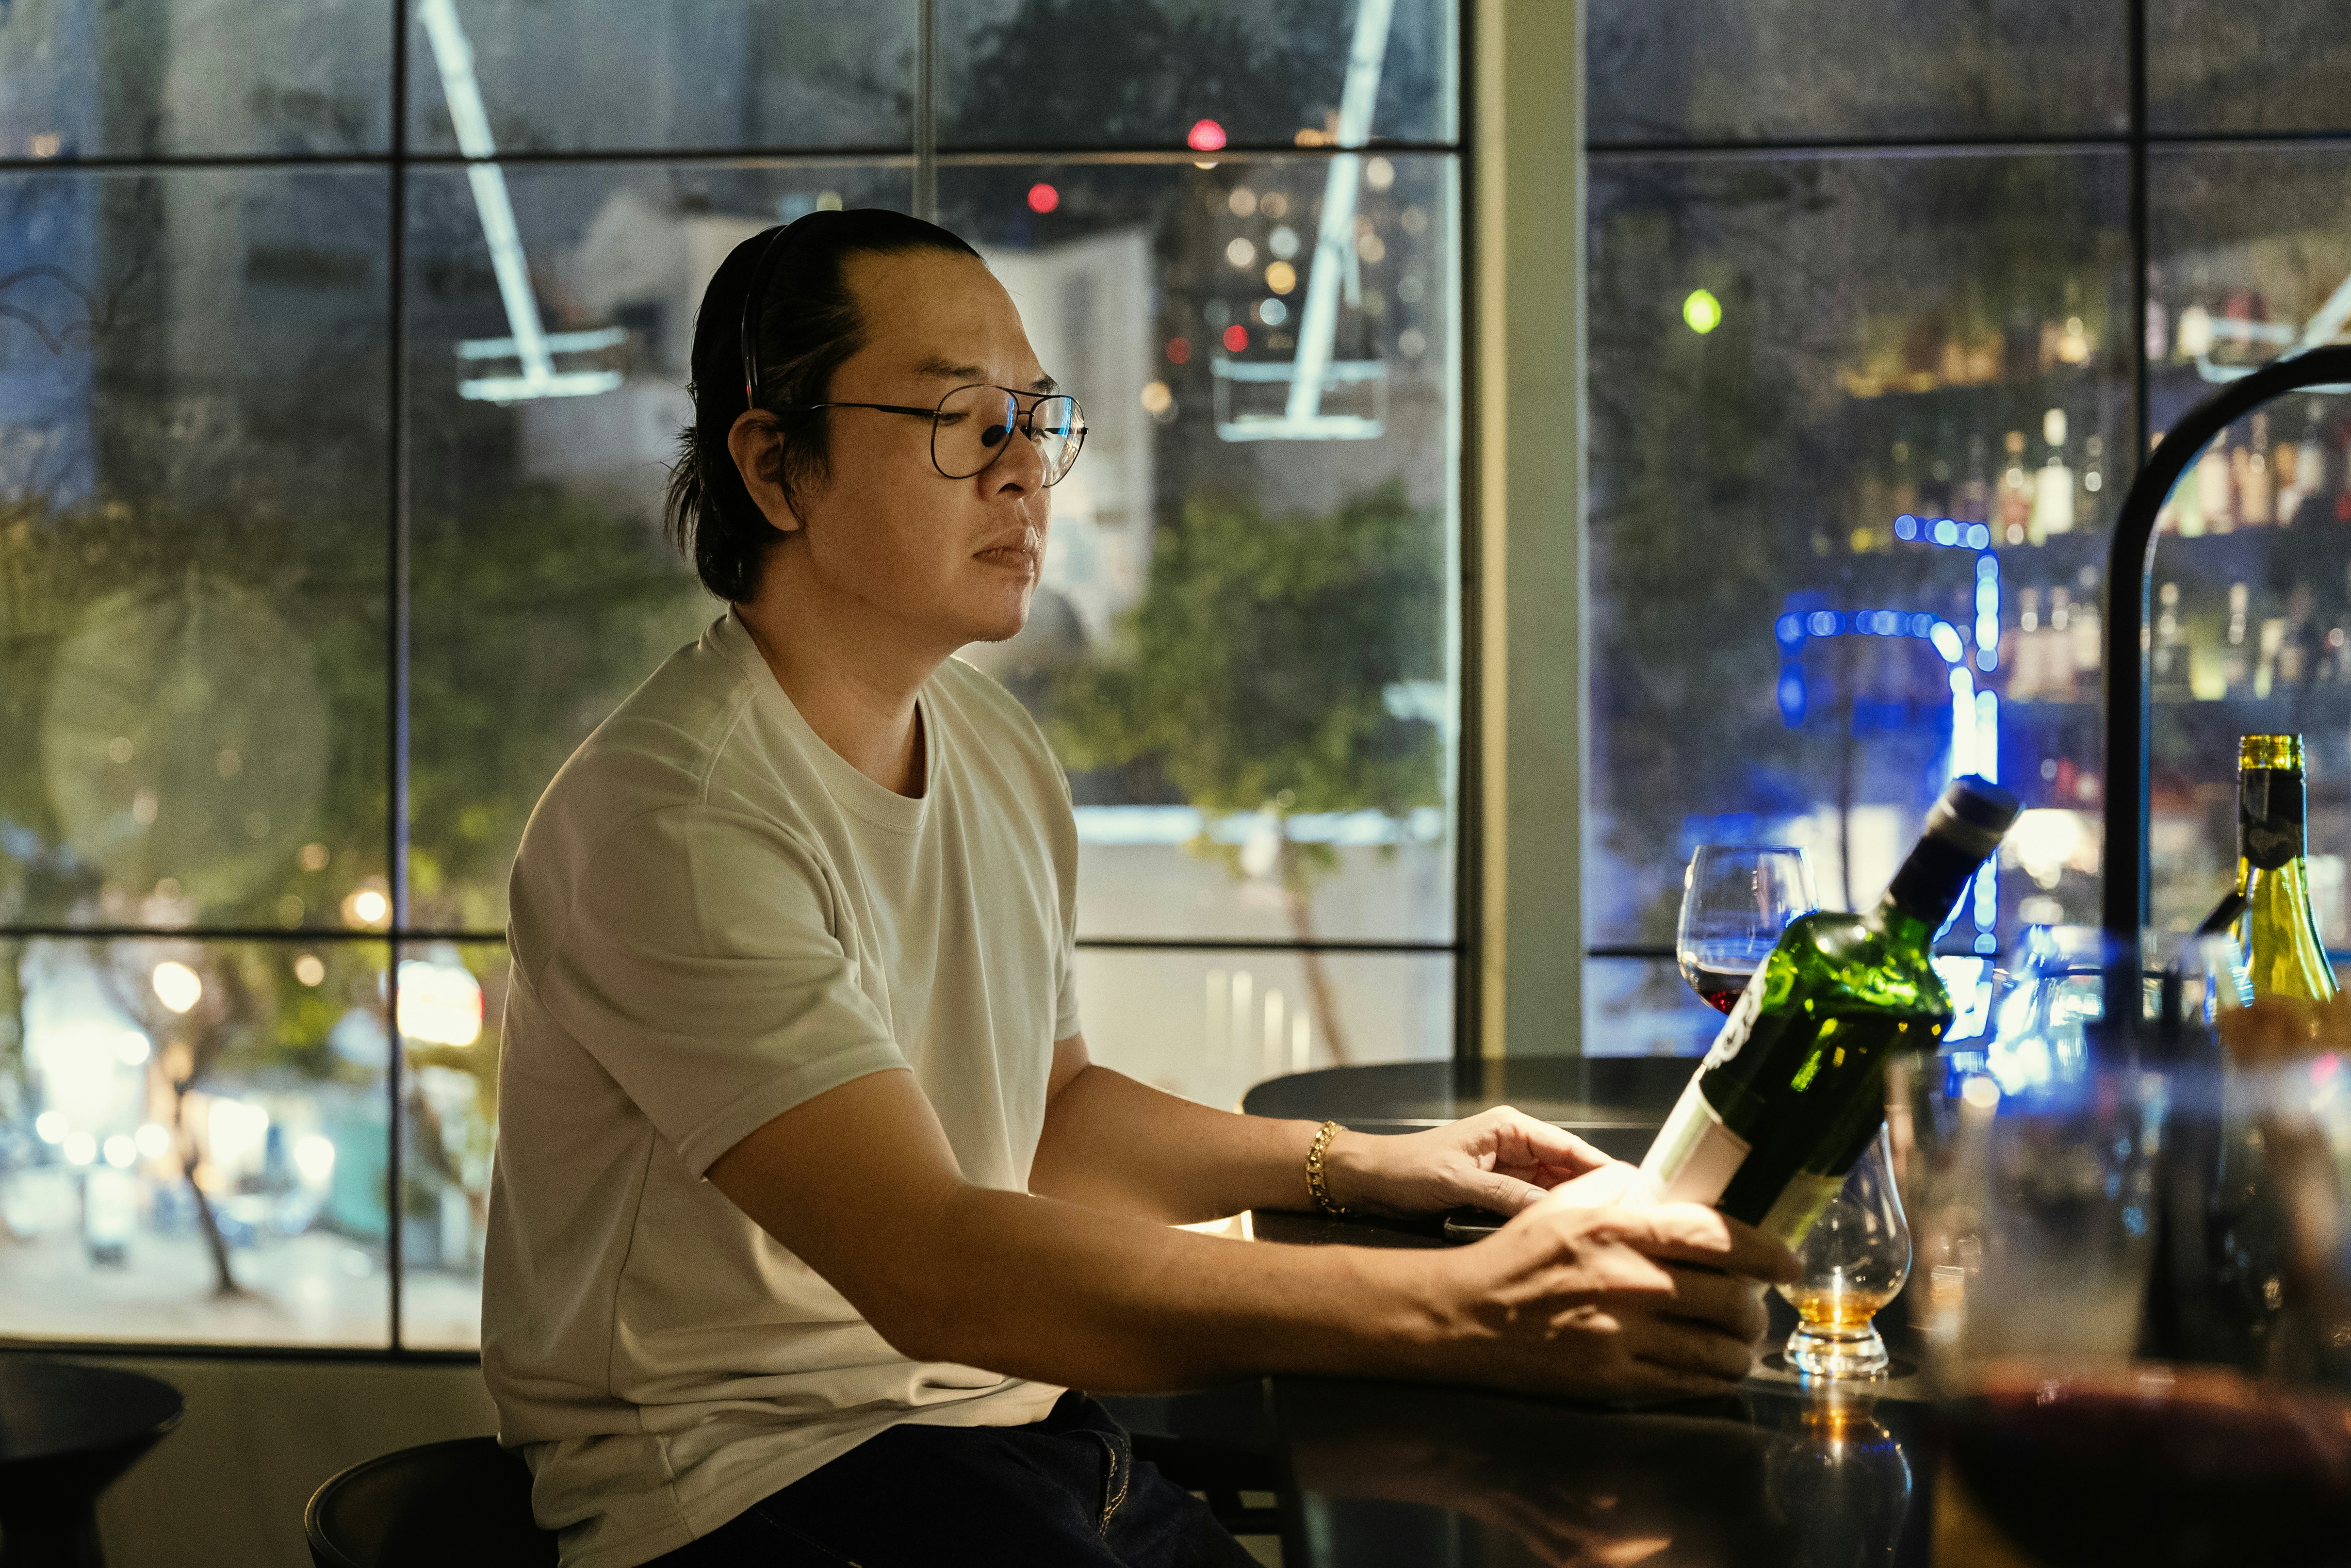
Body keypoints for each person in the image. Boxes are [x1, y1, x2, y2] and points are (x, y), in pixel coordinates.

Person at [479, 208, 1795, 1568]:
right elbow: (934, 1265)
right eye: (960, 421)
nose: (1026, 472)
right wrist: (1470, 1308)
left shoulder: (989, 744)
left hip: (1018, 1438)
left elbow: (1049, 1122)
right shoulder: (677, 816)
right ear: (775, 466)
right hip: (760, 1487)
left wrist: (1376, 1169)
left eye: (1035, 418)